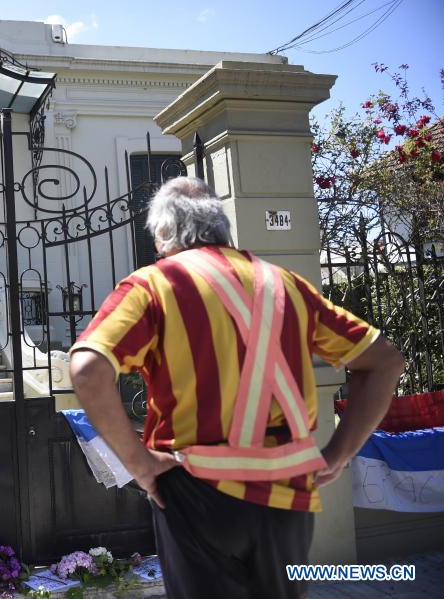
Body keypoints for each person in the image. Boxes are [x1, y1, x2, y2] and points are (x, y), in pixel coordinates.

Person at [69, 177, 405, 599]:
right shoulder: (286, 284)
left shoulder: (152, 286)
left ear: (165, 233)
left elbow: (87, 371)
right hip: (288, 491)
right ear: (221, 228)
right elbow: (385, 361)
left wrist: (140, 464)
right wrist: (338, 455)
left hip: (196, 490)